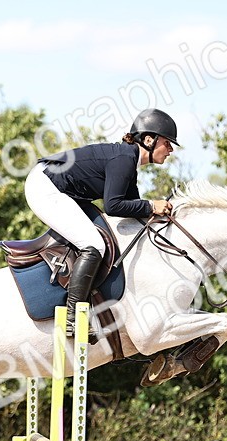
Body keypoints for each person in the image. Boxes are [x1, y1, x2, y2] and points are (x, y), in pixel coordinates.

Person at [25, 108, 180, 336]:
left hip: (62, 190)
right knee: (94, 244)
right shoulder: (124, 160)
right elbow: (113, 206)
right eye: (167, 143)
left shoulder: (128, 160)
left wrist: (156, 211)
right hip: (46, 187)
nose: (170, 150)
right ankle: (73, 318)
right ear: (149, 139)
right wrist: (150, 206)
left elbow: (132, 206)